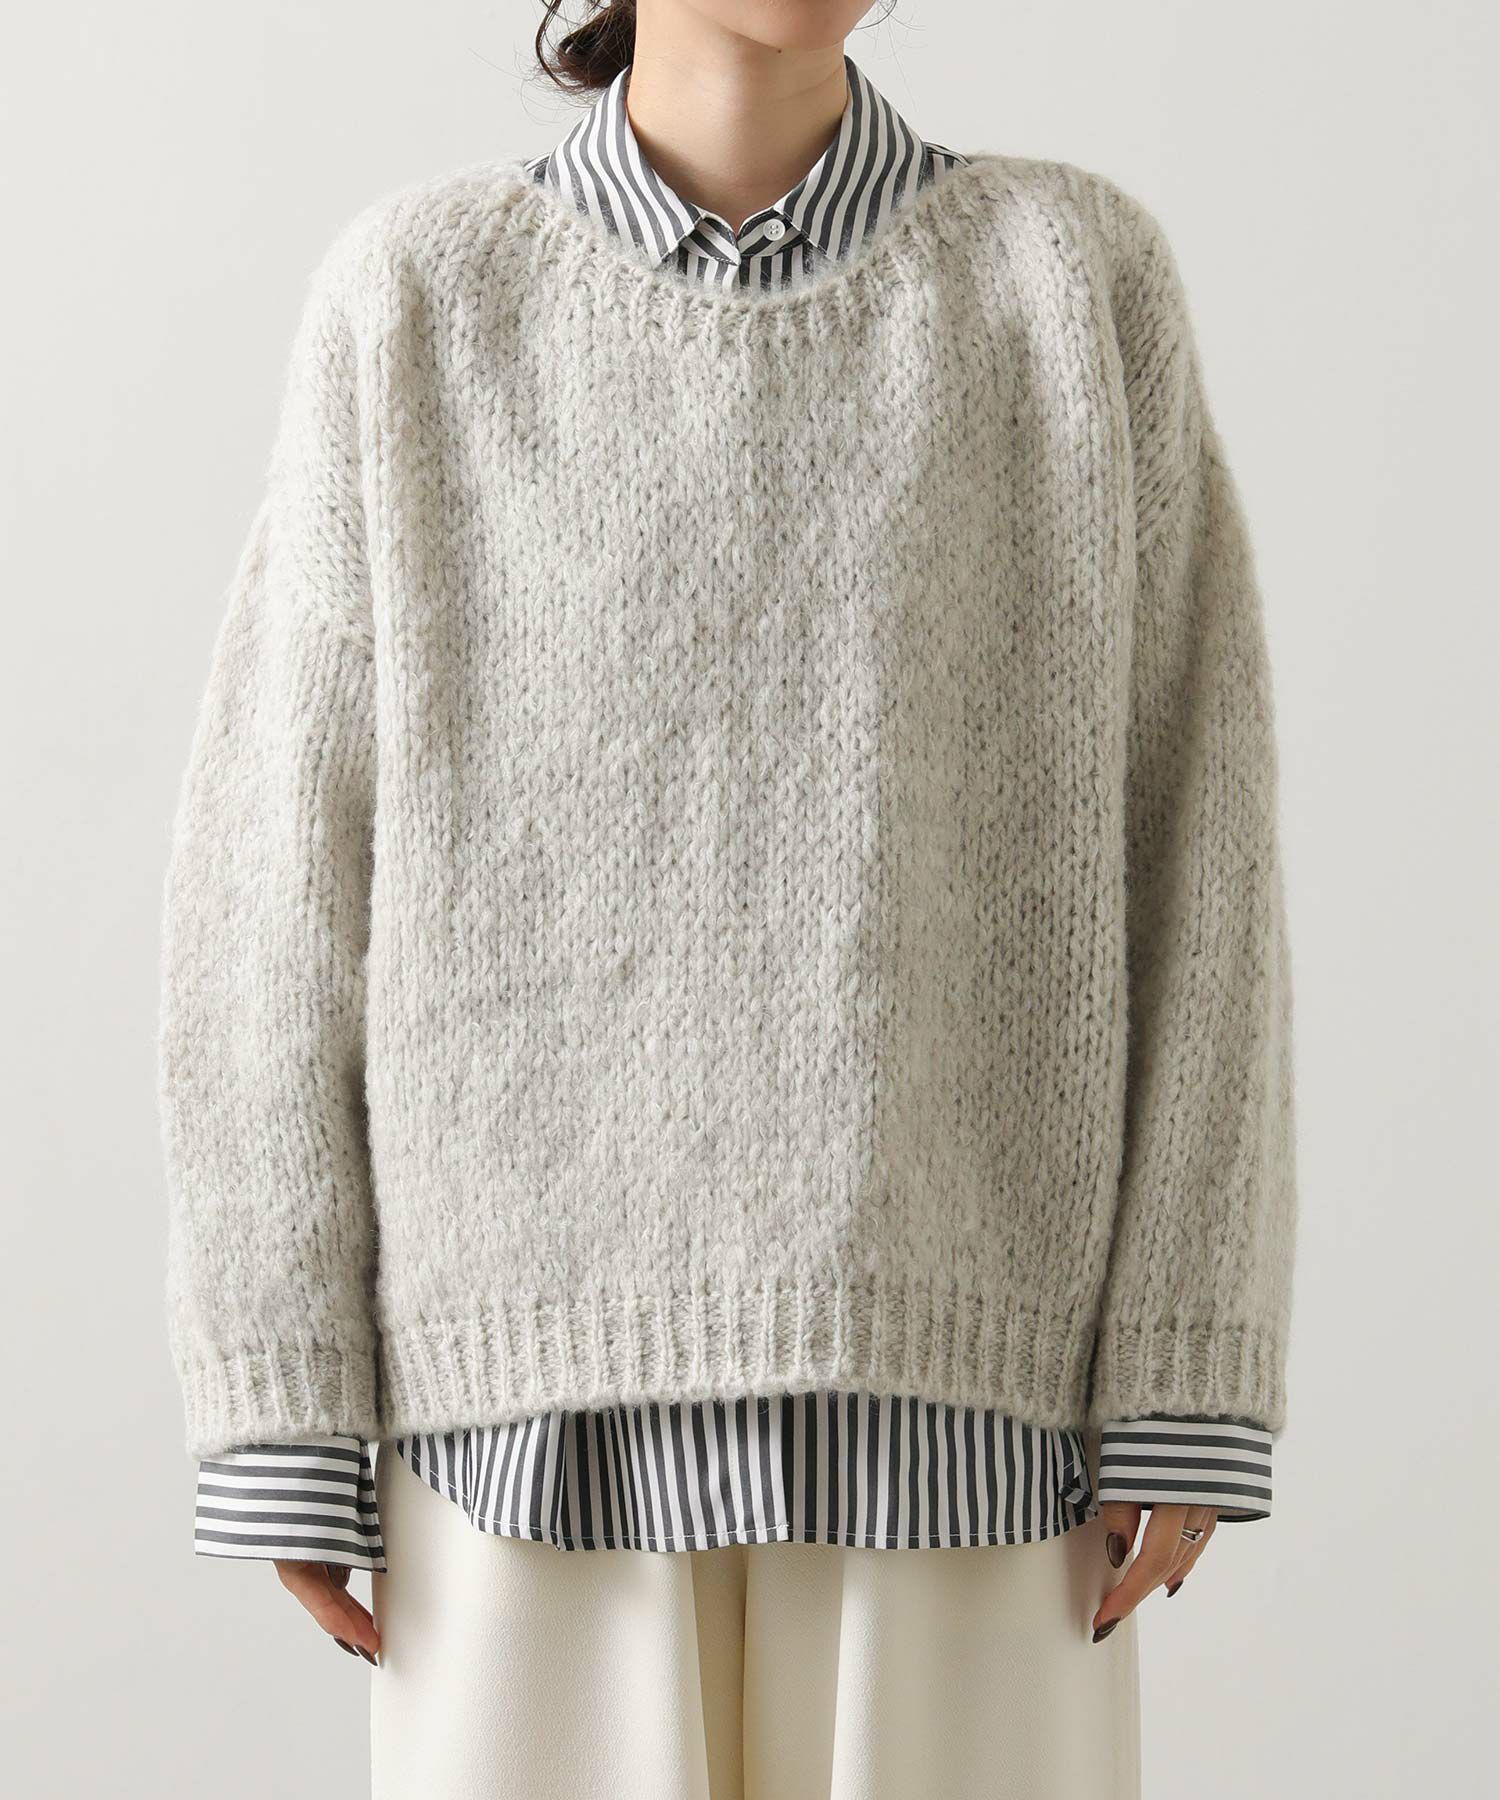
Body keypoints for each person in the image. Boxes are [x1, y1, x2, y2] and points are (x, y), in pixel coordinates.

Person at [159, 3, 1297, 1794]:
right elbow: (275, 876)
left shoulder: (1070, 288)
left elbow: (1200, 846)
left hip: (977, 1424)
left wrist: (1186, 1357)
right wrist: (279, 1387)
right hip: (522, 1436)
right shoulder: (418, 303)